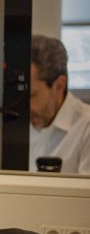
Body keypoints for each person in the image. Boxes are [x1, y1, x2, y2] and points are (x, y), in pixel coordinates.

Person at [29, 35, 90, 174]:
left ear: (59, 86)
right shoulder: (17, 125)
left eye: (32, 95)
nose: (25, 107)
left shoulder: (86, 129)